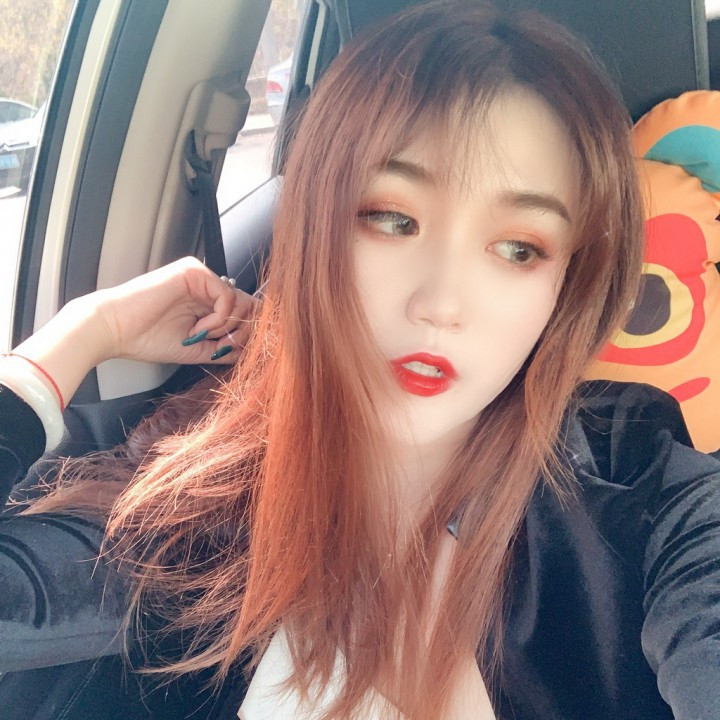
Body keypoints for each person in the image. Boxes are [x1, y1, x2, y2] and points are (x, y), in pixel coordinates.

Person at [1, 1, 719, 718]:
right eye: (392, 219)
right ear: (315, 225)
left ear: (568, 281)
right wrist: (77, 336)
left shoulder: (643, 497)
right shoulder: (185, 502)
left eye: (518, 248)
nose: (440, 303)